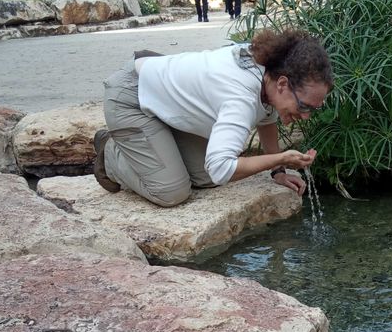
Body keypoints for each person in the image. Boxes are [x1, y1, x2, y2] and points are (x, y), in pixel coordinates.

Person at [93, 29, 333, 208]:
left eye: (313, 108)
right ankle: (110, 153)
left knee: (206, 177)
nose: (305, 115)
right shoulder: (239, 97)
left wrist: (278, 171)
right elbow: (221, 168)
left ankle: (157, 148)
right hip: (130, 98)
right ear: (283, 84)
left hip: (163, 104)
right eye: (304, 106)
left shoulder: (271, 70)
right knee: (172, 192)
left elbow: (266, 118)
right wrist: (277, 158)